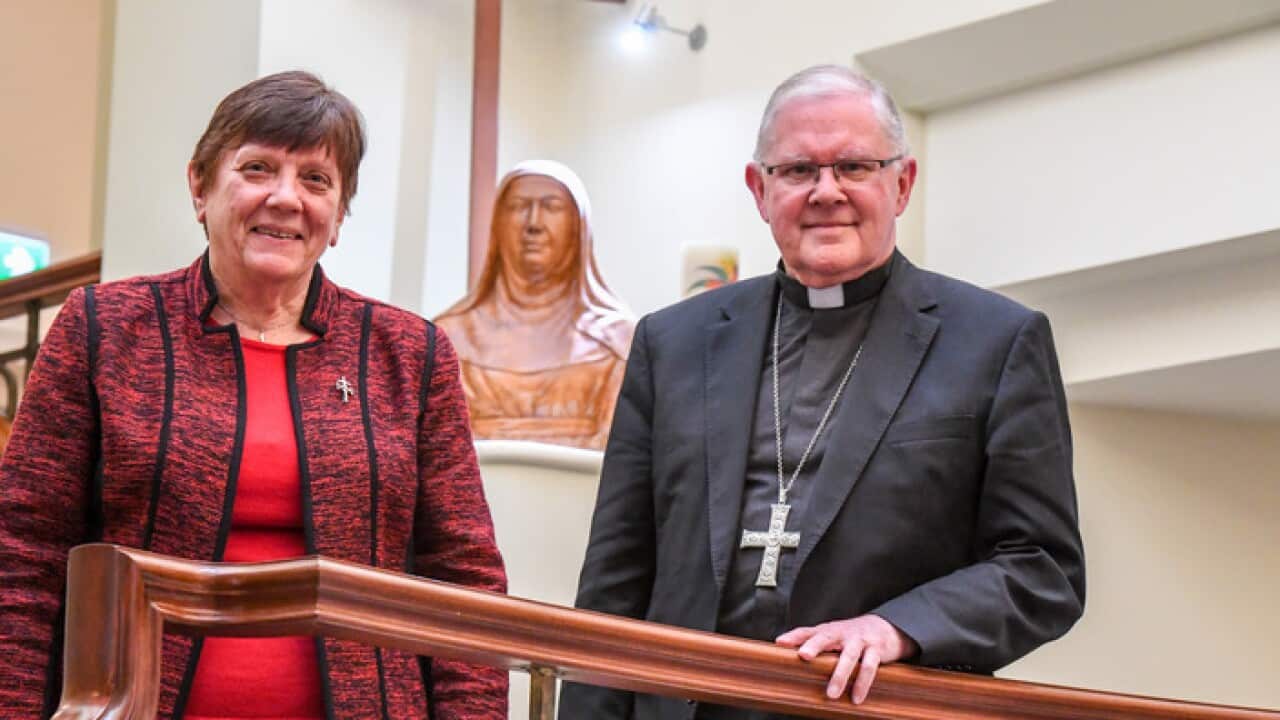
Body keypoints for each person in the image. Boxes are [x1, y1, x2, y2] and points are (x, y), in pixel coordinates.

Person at [561, 65, 1085, 720]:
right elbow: (614, 586)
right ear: (760, 188)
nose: (826, 191)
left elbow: (1042, 568)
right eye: (799, 170)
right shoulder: (673, 344)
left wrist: (899, 628)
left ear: (902, 183)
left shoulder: (995, 342)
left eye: (854, 167)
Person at [0, 71, 507, 720]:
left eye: (316, 180)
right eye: (258, 168)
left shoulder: (408, 354)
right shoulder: (103, 328)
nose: (286, 198)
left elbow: (464, 579)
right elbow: (23, 555)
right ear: (200, 187)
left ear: (340, 215)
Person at [435, 160, 635, 451]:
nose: (533, 224)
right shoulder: (448, 338)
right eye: (518, 206)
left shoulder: (618, 342)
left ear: (578, 226)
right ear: (497, 226)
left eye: (551, 207)